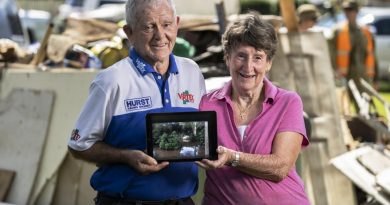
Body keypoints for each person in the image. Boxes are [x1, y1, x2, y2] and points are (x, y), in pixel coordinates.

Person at [67, 0, 206, 204]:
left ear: (177, 24)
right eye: (148, 26)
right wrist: (125, 156)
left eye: (166, 25)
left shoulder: (192, 72)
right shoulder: (111, 81)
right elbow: (78, 145)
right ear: (129, 32)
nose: (160, 35)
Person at [196, 12, 310, 205]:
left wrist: (232, 157)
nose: (248, 67)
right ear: (227, 58)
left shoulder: (288, 102)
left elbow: (280, 168)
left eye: (258, 57)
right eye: (241, 56)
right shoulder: (206, 104)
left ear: (268, 63)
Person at [332, 0, 376, 89]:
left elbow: (372, 55)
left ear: (357, 11)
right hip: (344, 76)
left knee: (364, 101)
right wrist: (335, 71)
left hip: (363, 75)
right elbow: (332, 54)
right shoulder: (337, 31)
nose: (348, 13)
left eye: (351, 10)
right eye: (346, 10)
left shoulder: (366, 32)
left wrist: (376, 79)